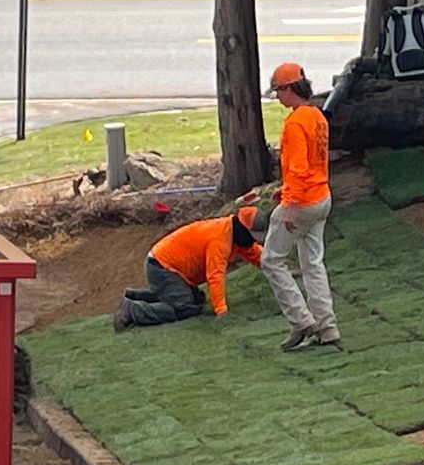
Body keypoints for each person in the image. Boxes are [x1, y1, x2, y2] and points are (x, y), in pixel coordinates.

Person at [260, 61, 340, 351]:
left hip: (303, 202)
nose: (278, 97)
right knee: (313, 265)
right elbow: (313, 165)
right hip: (322, 198)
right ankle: (328, 328)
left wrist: (289, 203)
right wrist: (286, 190)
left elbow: (298, 168)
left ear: (290, 88)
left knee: (271, 260)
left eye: (279, 91)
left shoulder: (294, 124)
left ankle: (301, 321)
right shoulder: (317, 116)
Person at [113, 204, 268, 330]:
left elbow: (254, 253)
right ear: (243, 229)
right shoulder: (219, 240)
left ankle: (133, 296)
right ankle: (132, 310)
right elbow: (215, 276)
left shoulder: (233, 232)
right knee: (182, 308)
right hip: (162, 267)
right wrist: (221, 310)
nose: (254, 241)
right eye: (252, 236)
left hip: (166, 265)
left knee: (197, 300)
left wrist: (277, 270)